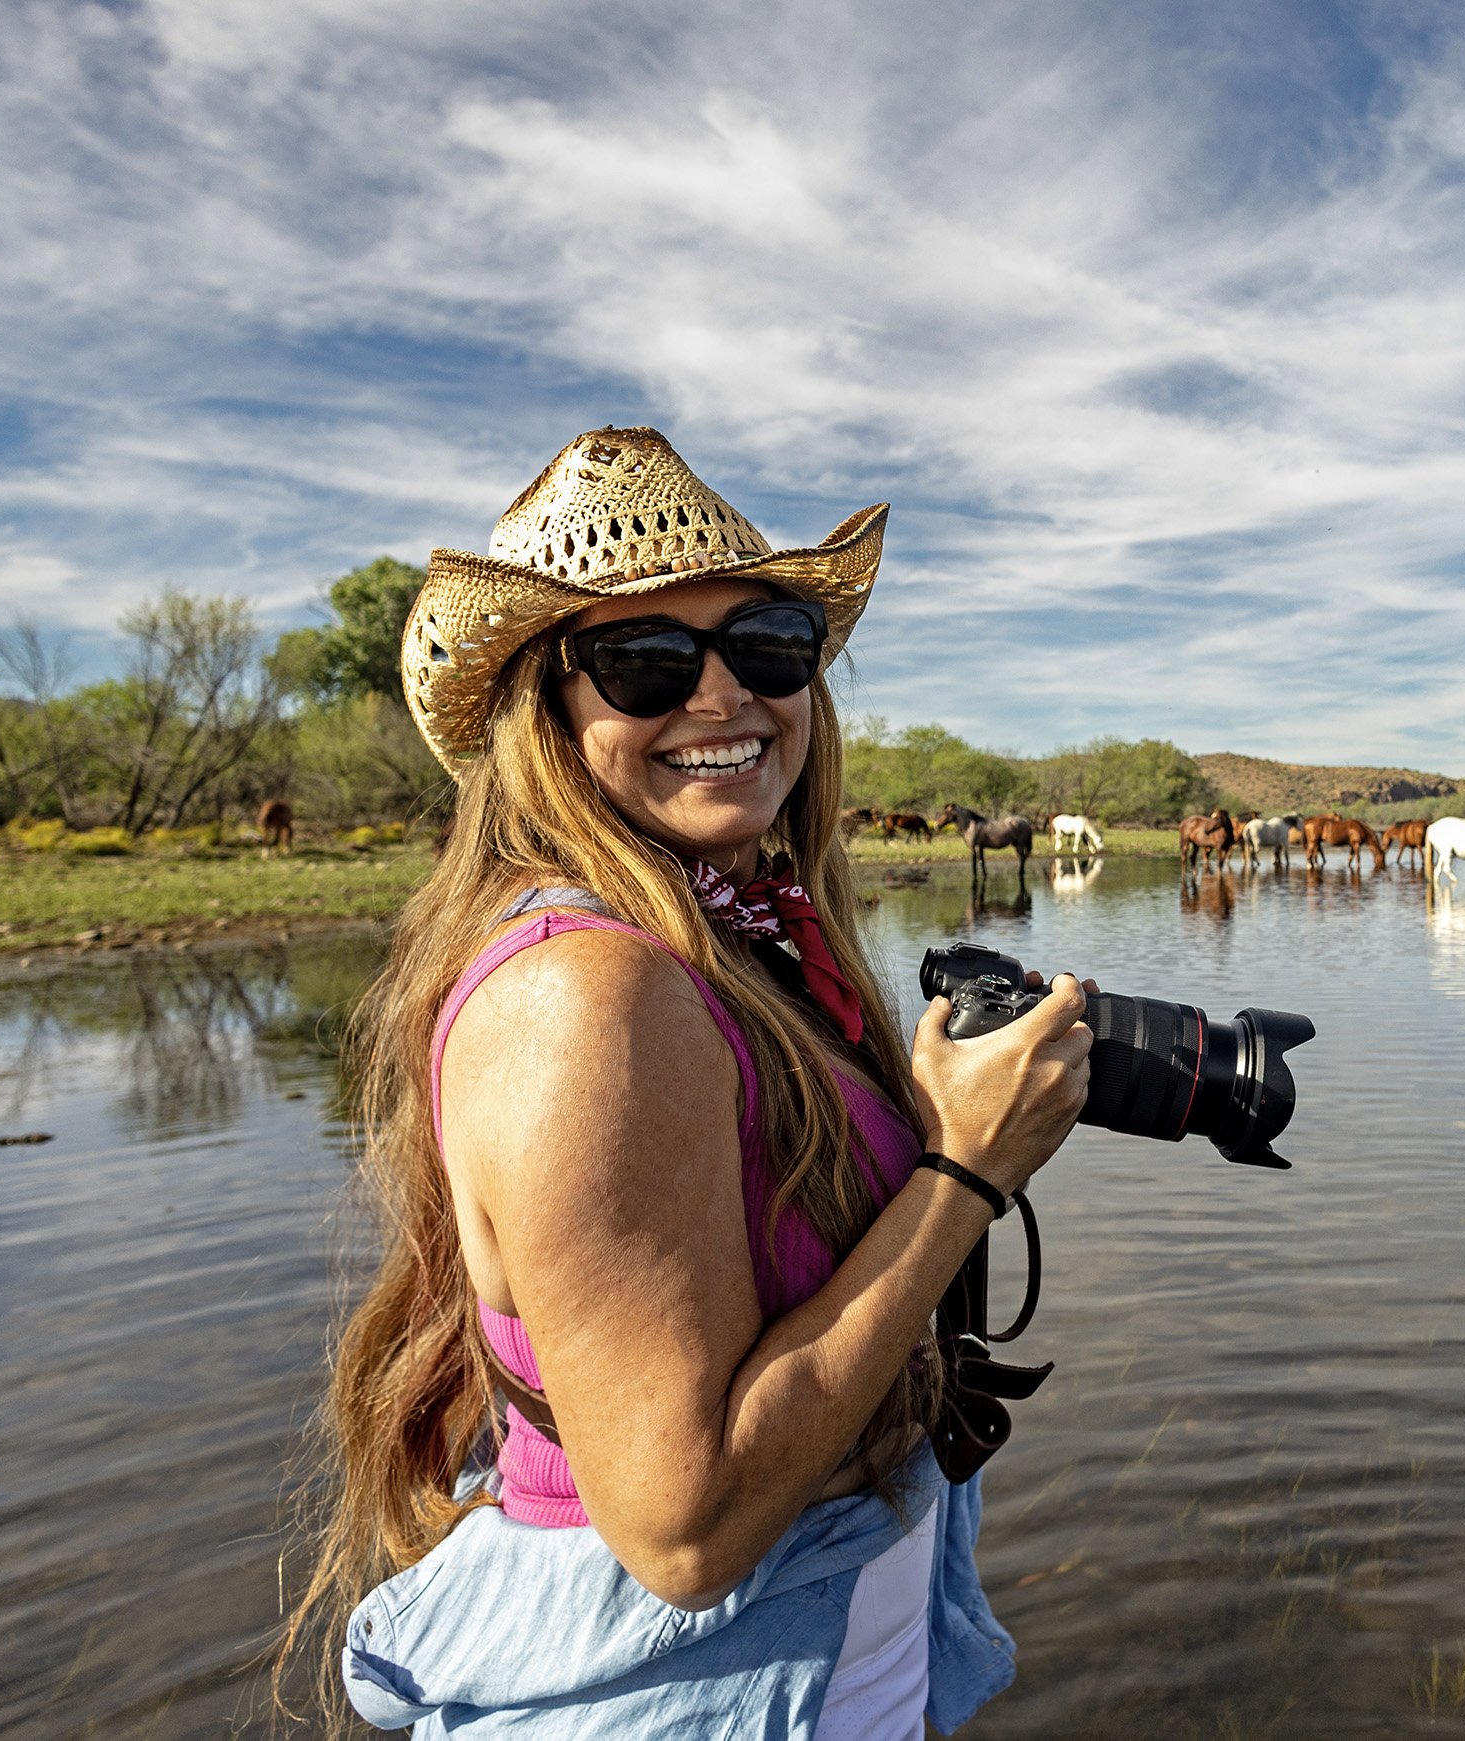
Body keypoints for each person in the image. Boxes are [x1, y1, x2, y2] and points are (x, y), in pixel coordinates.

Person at [279, 426, 1090, 1738]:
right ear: (546, 711)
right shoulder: (587, 997)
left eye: (767, 646)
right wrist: (964, 1174)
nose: (722, 697)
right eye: (647, 662)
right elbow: (684, 1525)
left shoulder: (727, 941)